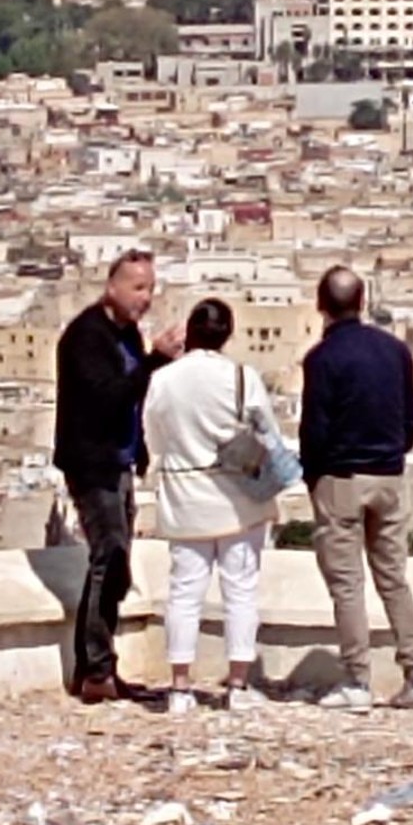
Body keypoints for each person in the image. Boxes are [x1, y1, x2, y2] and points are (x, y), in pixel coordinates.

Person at [300, 266, 413, 713]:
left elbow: (314, 428)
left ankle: (358, 681)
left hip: (341, 477)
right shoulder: (395, 351)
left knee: (348, 585)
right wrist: (394, 452)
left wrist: (314, 476)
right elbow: (412, 415)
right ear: (361, 301)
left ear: (322, 305)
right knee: (393, 578)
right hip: (390, 475)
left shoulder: (322, 359)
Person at [53, 248, 183, 704]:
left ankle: (100, 666)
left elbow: (130, 400)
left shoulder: (126, 336)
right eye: (137, 287)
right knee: (108, 560)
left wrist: (140, 448)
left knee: (115, 563)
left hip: (118, 461)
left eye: (149, 288)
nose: (144, 297)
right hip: (93, 464)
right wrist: (156, 361)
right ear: (112, 286)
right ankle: (95, 670)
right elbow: (106, 398)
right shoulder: (87, 337)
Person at [143, 299, 278, 715]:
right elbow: (267, 434)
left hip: (185, 496)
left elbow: (153, 436)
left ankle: (180, 688)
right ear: (227, 334)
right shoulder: (242, 377)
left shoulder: (164, 380)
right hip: (237, 498)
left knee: (184, 592)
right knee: (240, 590)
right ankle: (237, 685)